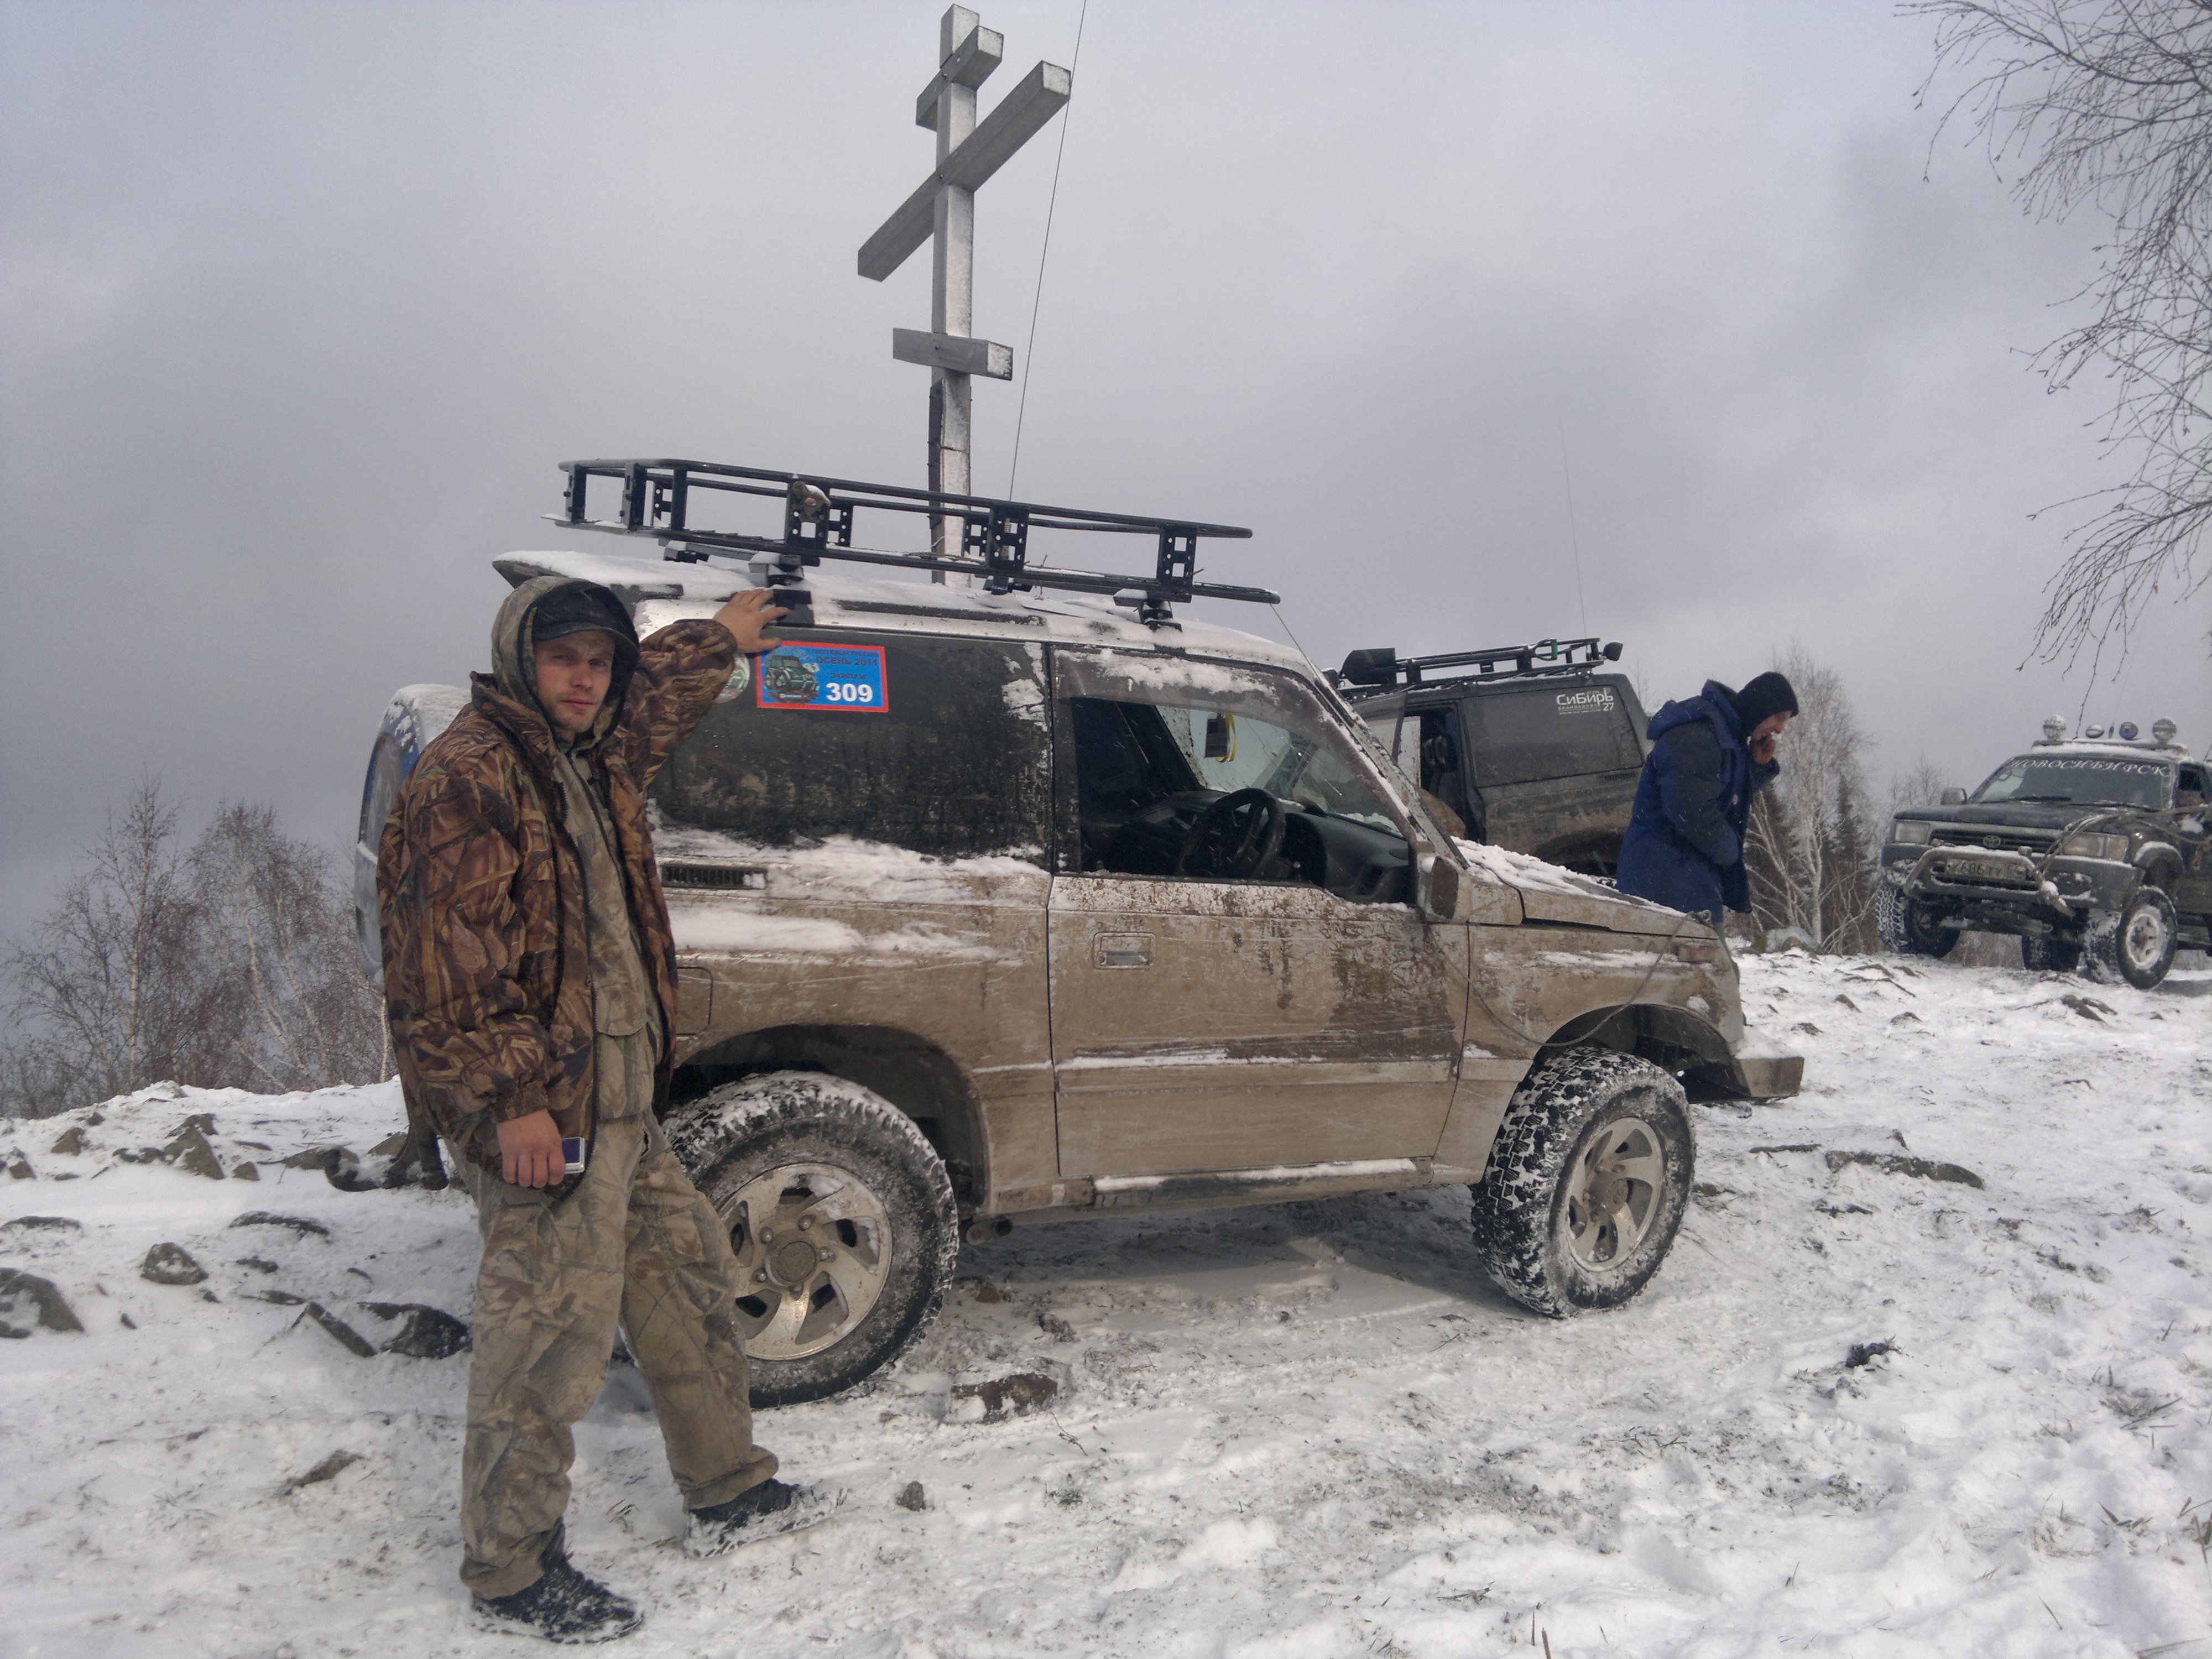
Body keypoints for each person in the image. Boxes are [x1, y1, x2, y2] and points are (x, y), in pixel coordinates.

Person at [378, 575, 831, 1644]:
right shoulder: (472, 777)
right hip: (547, 1117)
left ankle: (728, 1487)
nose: (584, 679)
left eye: (599, 662)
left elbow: (655, 698)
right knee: (545, 1342)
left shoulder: (587, 755)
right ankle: (510, 1570)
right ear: (519, 659)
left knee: (686, 1286)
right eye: (563, 659)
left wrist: (722, 636)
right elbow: (446, 967)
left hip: (622, 1103)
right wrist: (511, 1106)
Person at [1614, 671, 1798, 930]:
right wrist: (1730, 853)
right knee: (1699, 958)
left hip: (1686, 881)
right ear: (1762, 707)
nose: (1781, 730)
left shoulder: (1727, 736)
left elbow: (1724, 795)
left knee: (1710, 956)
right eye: (1780, 718)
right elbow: (1692, 814)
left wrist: (1756, 766)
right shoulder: (1699, 734)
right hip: (1664, 883)